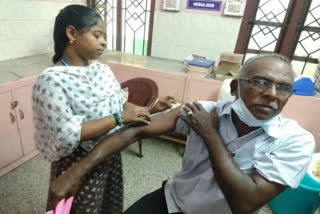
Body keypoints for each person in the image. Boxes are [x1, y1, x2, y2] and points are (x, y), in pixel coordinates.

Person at [68, 54, 315, 214]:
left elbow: (246, 203)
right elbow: (135, 131)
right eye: (260, 82)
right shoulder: (203, 110)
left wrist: (210, 134)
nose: (272, 93)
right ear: (235, 87)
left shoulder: (296, 141)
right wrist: (75, 173)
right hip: (171, 200)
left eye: (283, 87)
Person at [32, 5, 174, 214]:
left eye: (105, 36)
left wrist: (151, 109)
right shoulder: (51, 81)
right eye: (97, 34)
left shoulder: (102, 70)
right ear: (72, 33)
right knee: (82, 207)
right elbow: (68, 134)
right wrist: (119, 118)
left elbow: (119, 103)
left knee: (108, 203)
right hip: (79, 162)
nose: (104, 42)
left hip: (110, 152)